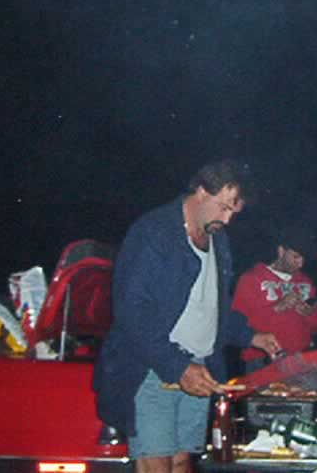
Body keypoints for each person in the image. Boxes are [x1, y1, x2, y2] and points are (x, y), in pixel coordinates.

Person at [94, 160, 280, 473]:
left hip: (201, 367)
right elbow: (132, 311)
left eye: (234, 213)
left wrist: (251, 335)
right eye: (224, 208)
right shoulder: (154, 232)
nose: (227, 219)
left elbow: (214, 306)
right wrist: (177, 367)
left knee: (182, 462)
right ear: (202, 191)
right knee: (157, 463)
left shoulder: (218, 240)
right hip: (153, 369)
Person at [232, 226, 317, 373]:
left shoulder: (305, 281)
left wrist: (309, 314)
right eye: (296, 257)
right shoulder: (251, 279)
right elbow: (238, 326)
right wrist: (277, 307)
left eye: (304, 259)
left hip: (303, 360)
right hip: (263, 360)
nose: (301, 263)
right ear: (281, 251)